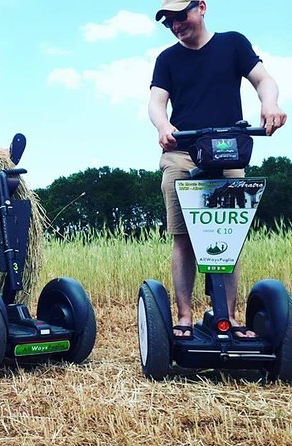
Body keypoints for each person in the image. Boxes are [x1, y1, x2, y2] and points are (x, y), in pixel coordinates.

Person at [148, 0, 287, 339]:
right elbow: (156, 102)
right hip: (183, 151)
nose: (177, 25)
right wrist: (163, 127)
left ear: (202, 8)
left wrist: (269, 103)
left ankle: (229, 318)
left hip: (227, 152)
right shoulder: (167, 59)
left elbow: (264, 80)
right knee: (183, 239)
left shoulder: (232, 44)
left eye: (181, 16)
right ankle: (184, 316)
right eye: (169, 22)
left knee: (228, 238)